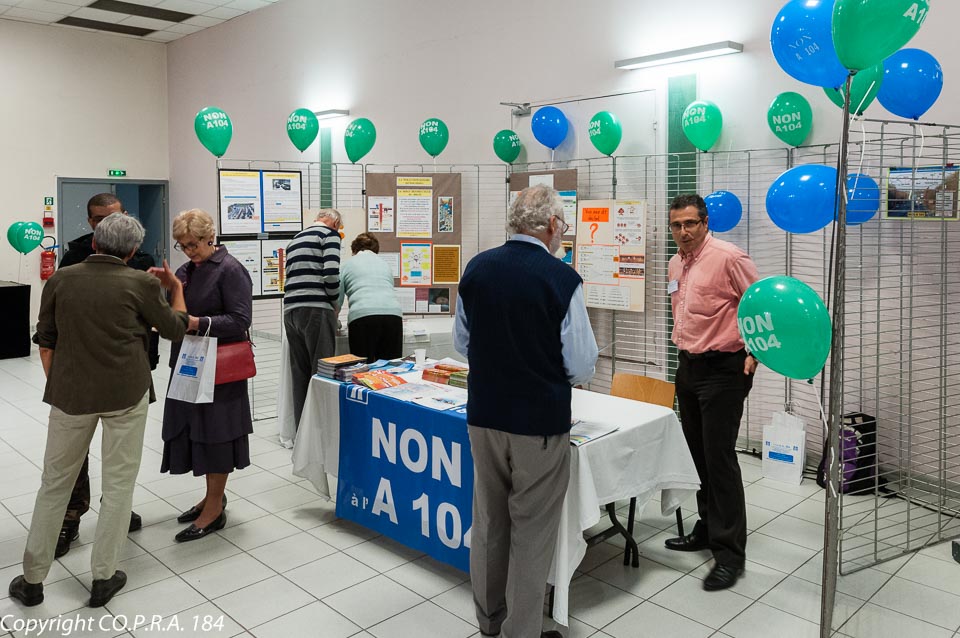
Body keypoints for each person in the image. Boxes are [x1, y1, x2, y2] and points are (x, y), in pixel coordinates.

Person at [8, 213, 193, 608]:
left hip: (71, 395)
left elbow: (46, 339)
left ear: (94, 243)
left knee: (55, 483)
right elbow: (176, 328)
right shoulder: (142, 282)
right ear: (131, 251)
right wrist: (175, 288)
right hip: (126, 394)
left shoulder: (61, 279)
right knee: (119, 483)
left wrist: (60, 383)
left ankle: (33, 579)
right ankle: (103, 576)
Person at [454, 184, 598, 638]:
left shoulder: (476, 269)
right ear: (553, 226)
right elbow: (580, 363)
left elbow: (462, 344)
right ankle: (522, 632)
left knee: (490, 521)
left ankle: (489, 622)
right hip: (538, 423)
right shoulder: (561, 279)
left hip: (484, 416)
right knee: (532, 532)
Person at [663, 194, 759, 591]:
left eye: (690, 224)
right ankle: (707, 527)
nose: (683, 232)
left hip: (724, 369)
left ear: (705, 223)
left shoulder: (729, 257)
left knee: (719, 460)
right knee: (697, 456)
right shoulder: (675, 262)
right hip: (688, 366)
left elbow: (760, 303)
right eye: (676, 226)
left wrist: (755, 354)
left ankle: (729, 554)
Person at [52, 192, 156, 558]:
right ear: (91, 224)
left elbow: (150, 319)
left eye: (115, 216)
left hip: (127, 369)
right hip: (78, 371)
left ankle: (117, 511)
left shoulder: (141, 257)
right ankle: (70, 516)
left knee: (121, 455)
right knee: (73, 455)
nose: (109, 224)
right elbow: (52, 324)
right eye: (100, 219)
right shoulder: (75, 256)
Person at [161, 209, 254, 543]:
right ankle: (210, 497)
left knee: (217, 435)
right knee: (195, 432)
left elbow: (240, 320)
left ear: (209, 237)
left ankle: (214, 508)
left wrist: (199, 323)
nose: (188, 251)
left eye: (193, 244)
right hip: (188, 365)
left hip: (219, 370)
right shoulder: (185, 272)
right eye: (182, 245)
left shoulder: (230, 270)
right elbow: (176, 312)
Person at [283, 209, 342, 428]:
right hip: (316, 309)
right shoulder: (329, 235)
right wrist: (334, 302)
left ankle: (302, 433)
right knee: (322, 372)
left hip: (290, 310)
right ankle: (320, 433)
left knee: (299, 375)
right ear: (334, 222)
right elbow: (330, 273)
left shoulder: (295, 239)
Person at [338, 232, 403, 362]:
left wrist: (334, 323)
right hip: (393, 316)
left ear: (354, 249)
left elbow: (337, 299)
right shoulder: (385, 265)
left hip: (362, 317)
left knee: (362, 369)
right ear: (376, 250)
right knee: (390, 368)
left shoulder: (347, 264)